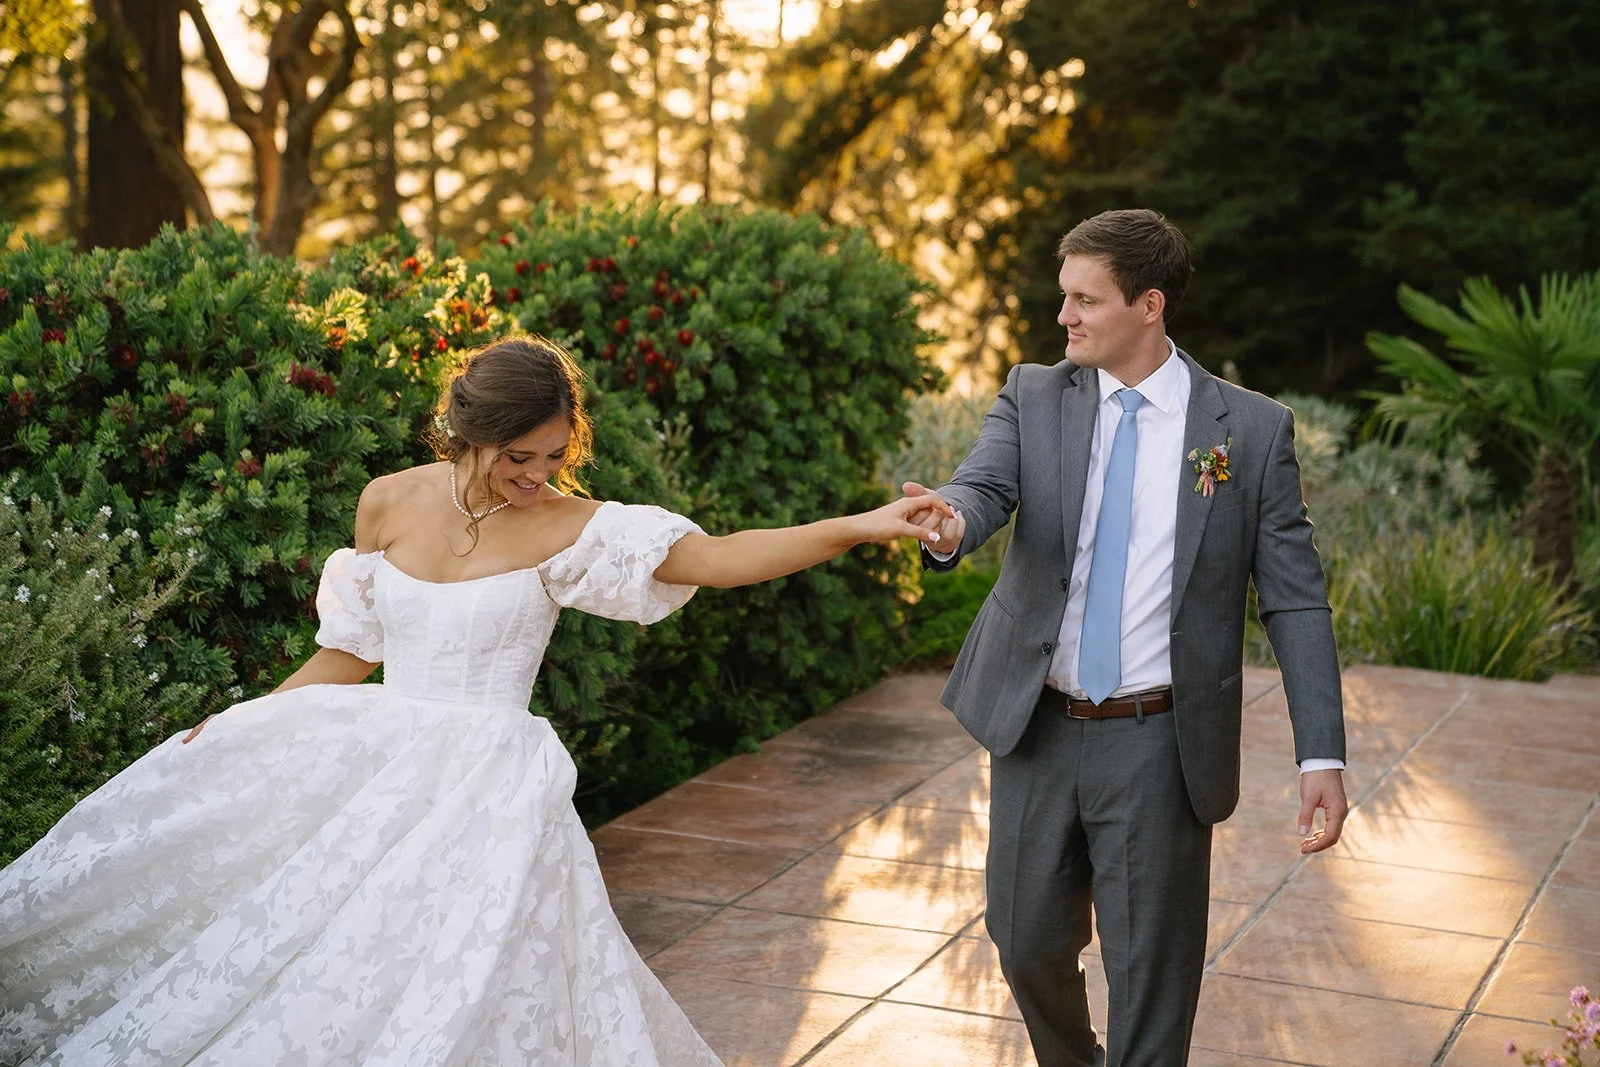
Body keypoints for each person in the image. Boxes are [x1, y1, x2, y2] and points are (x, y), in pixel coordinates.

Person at [0, 335, 950, 1067]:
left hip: (493, 792)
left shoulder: (579, 525)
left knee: (476, 973)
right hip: (379, 775)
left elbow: (726, 557)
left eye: (551, 455)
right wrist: (243, 727)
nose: (536, 477)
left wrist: (862, 525)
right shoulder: (388, 502)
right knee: (339, 959)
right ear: (466, 434)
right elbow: (346, 653)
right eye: (518, 459)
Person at [906, 209, 1347, 1067]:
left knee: (1152, 973)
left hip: (1160, 739)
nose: (1063, 317)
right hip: (1035, 725)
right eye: (1062, 296)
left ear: (1149, 304)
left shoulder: (1248, 433)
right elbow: (982, 487)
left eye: (1084, 299)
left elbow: (1295, 600)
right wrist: (949, 522)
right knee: (1024, 939)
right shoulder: (1034, 394)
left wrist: (1319, 753)